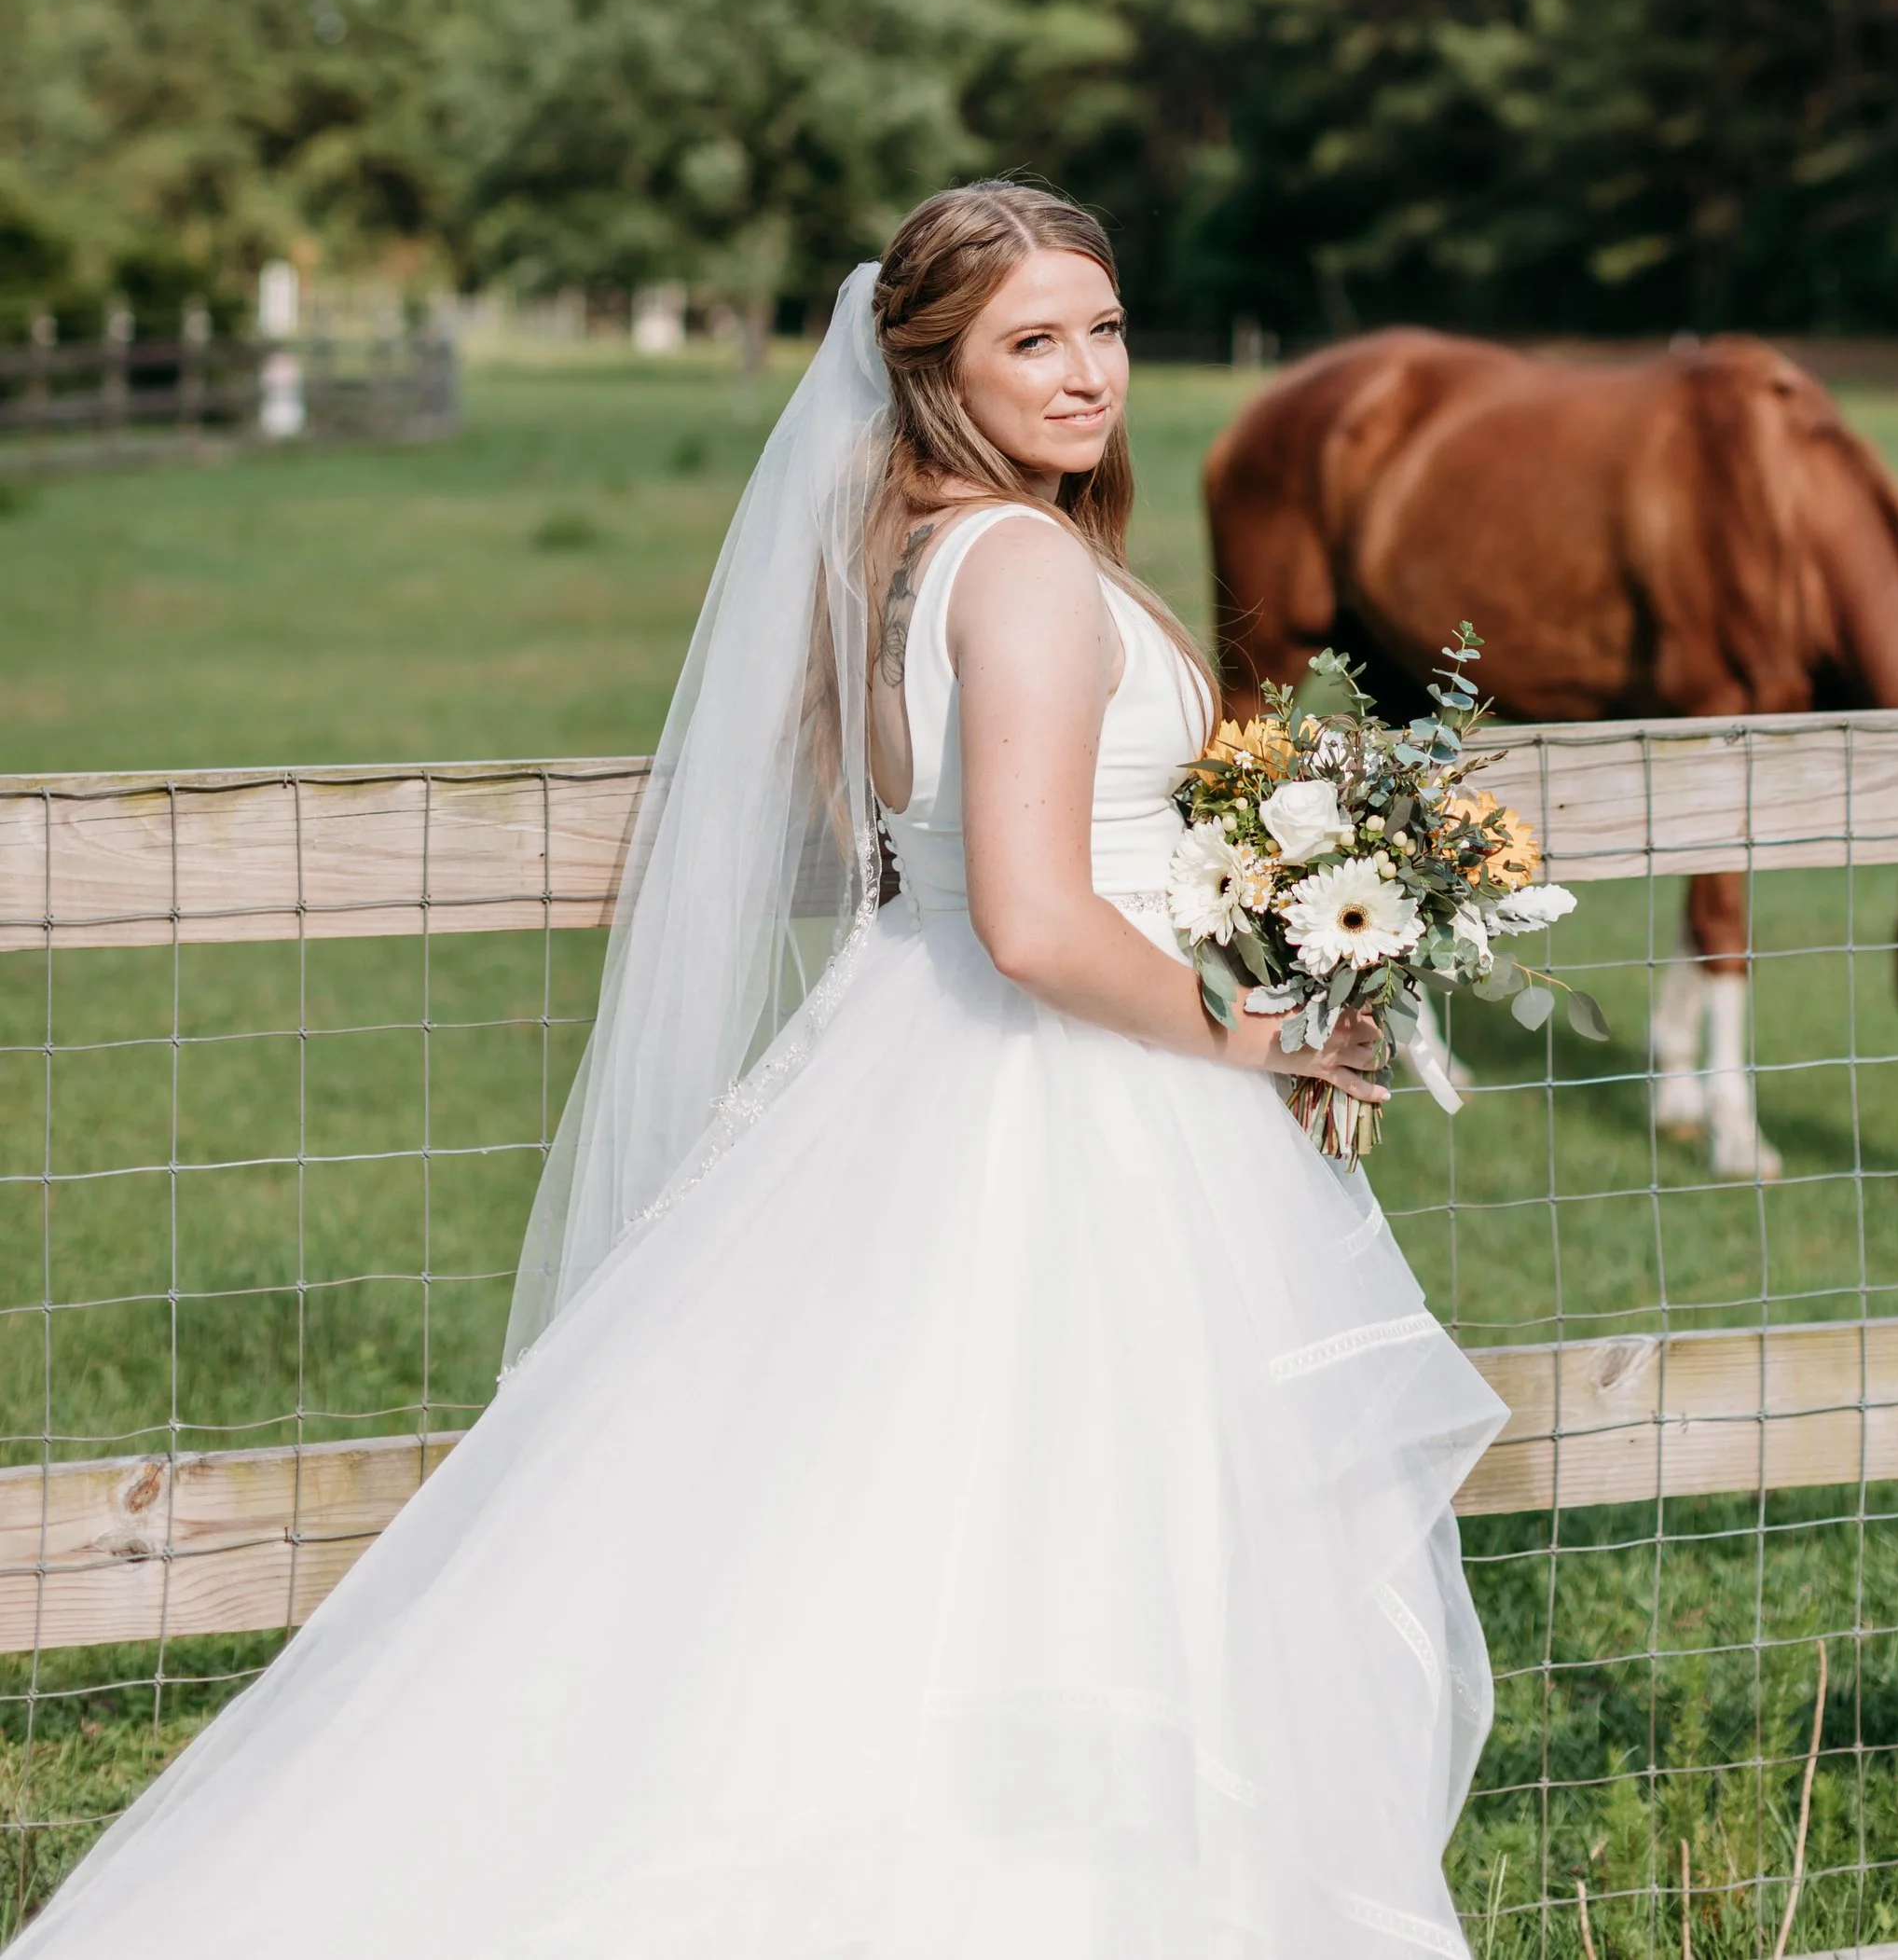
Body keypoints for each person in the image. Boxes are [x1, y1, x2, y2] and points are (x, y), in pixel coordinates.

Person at [20, 183, 1502, 1957]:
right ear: (934, 364)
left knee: (874, 1531)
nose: (1088, 372)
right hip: (1060, 1099)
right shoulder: (1025, 568)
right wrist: (1254, 1027)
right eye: (1033, 340)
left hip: (914, 1064)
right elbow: (1030, 916)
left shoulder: (905, 558)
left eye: (1103, 328)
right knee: (1088, 1547)